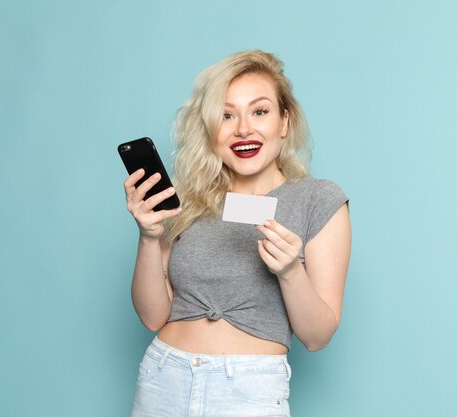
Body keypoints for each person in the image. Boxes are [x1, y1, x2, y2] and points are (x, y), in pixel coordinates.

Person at [123, 50, 351, 417]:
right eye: (226, 115)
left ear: (284, 121)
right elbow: (153, 317)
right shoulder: (188, 200)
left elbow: (317, 337)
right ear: (212, 129)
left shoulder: (318, 199)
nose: (243, 128)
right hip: (164, 377)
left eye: (259, 111)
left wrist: (290, 271)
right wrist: (149, 236)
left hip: (249, 388)